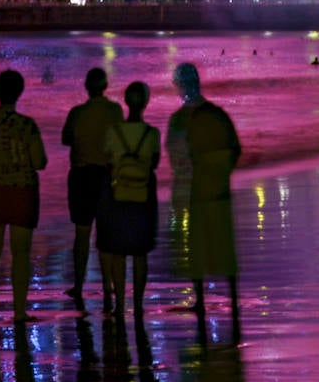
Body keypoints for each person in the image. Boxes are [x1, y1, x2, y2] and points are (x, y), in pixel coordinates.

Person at [166, 62, 241, 334]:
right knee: (224, 245)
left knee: (196, 247)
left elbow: (175, 158)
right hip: (218, 190)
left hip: (194, 192)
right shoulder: (218, 115)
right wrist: (222, 174)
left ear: (179, 86)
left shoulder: (179, 119)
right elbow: (234, 148)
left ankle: (199, 299)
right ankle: (232, 298)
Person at [0, 68, 47, 325]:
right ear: (20, 93)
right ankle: (19, 311)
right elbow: (39, 162)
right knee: (21, 252)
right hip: (22, 189)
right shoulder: (27, 125)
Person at [96, 80, 161, 317]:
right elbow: (154, 163)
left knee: (118, 251)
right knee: (140, 253)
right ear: (145, 103)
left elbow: (108, 161)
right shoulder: (152, 133)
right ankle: (139, 305)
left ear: (125, 101)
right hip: (143, 196)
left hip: (118, 195)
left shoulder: (114, 133)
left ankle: (120, 305)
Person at [61, 66, 123, 309]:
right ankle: (108, 287)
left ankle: (78, 284)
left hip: (82, 175)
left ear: (86, 87)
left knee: (82, 234)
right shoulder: (115, 110)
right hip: (106, 175)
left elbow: (66, 138)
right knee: (106, 235)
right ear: (105, 87)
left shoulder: (77, 113)